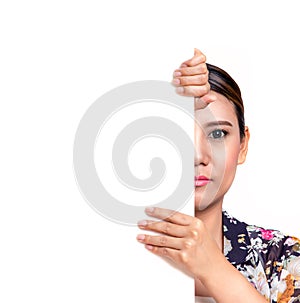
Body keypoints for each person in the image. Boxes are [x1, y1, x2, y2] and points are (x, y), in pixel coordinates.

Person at [136, 48, 300, 303]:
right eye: (178, 135)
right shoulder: (108, 252)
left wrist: (214, 269)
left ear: (243, 145)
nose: (197, 155)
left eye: (217, 134)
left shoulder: (281, 259)